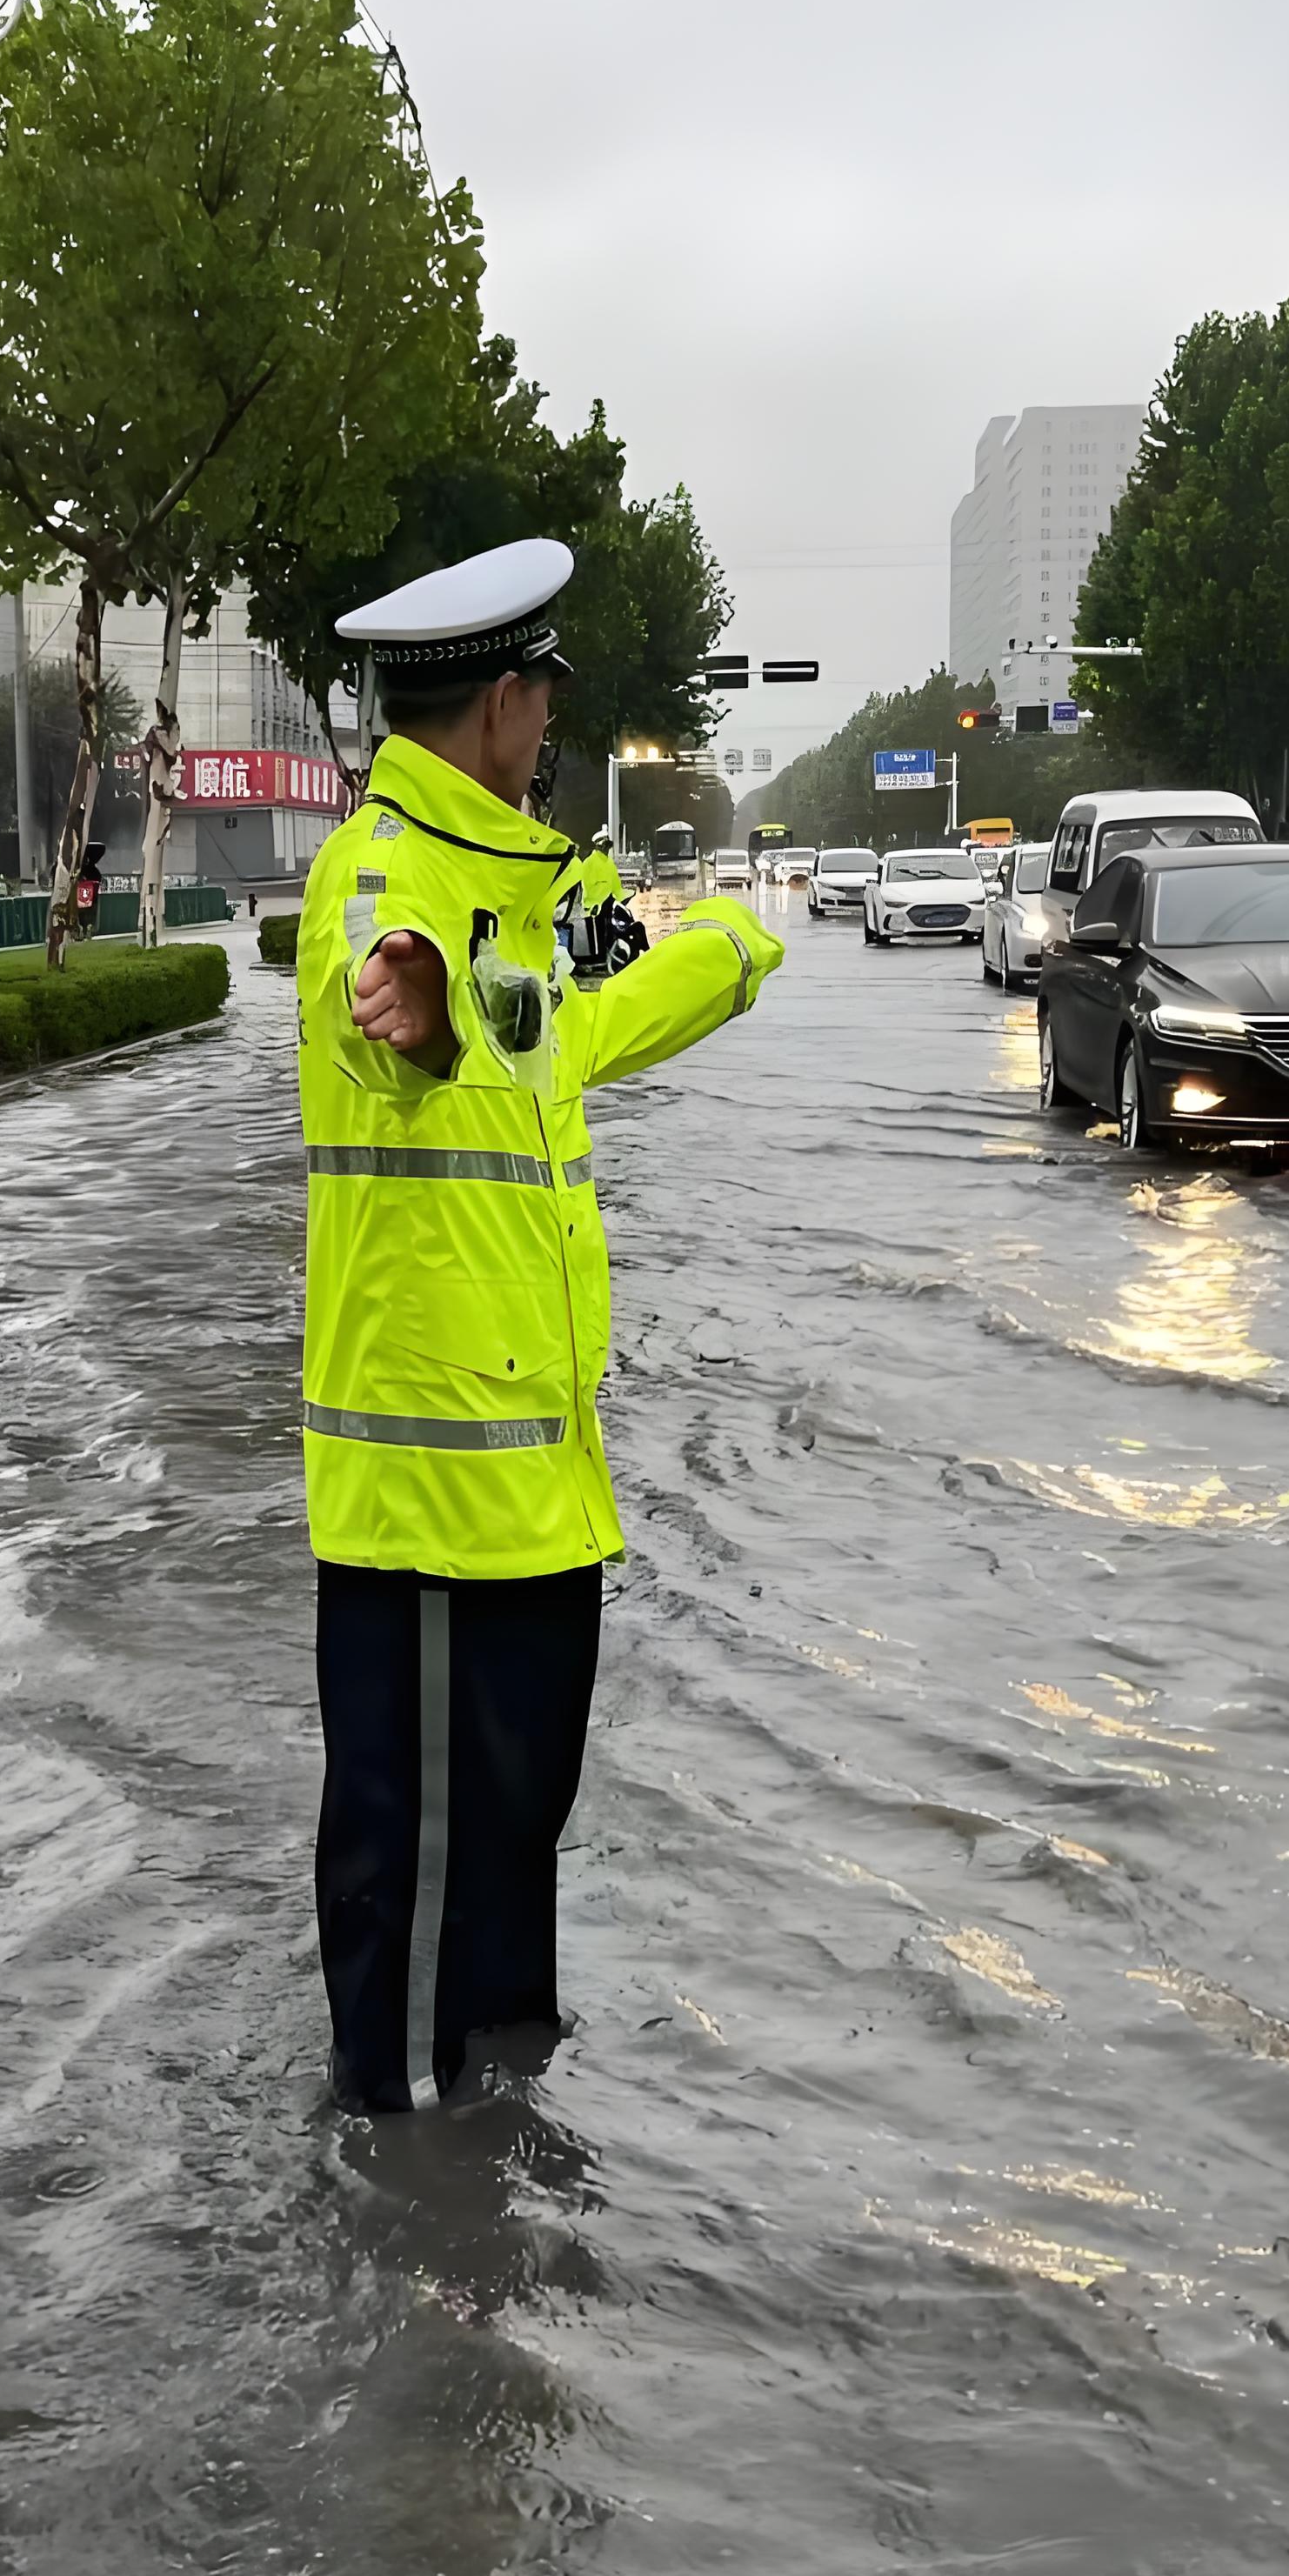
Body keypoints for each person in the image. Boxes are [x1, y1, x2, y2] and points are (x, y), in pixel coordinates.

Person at [298, 539, 782, 2113]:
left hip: (537, 1495)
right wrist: (414, 1009)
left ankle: (503, 2175)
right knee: (427, 1878)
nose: (553, 720)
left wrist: (731, 947)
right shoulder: (387, 882)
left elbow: (567, 1036)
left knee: (514, 1851)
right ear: (505, 704)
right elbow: (384, 1013)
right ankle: (414, 2207)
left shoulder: (518, 886)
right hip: (431, 1511)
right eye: (547, 692)